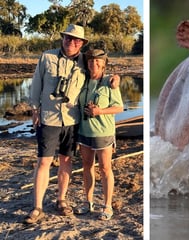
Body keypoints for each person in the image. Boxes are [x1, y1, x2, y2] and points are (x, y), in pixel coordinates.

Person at [25, 24, 119, 224]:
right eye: (68, 38)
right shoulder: (47, 57)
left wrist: (115, 79)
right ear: (63, 38)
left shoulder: (84, 62)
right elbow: (36, 84)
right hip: (49, 117)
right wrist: (35, 110)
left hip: (72, 120)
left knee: (66, 161)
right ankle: (37, 207)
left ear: (82, 44)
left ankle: (61, 200)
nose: (72, 42)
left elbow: (101, 73)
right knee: (43, 161)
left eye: (77, 40)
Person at [74, 48, 123, 221]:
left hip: (103, 132)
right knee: (87, 166)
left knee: (105, 168)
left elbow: (119, 108)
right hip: (84, 131)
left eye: (97, 61)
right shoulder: (82, 81)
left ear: (103, 65)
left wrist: (100, 111)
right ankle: (88, 202)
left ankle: (107, 205)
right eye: (90, 61)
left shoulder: (110, 82)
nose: (93, 64)